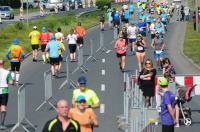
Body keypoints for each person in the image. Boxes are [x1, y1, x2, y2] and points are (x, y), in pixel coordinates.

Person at [0, 60, 14, 130]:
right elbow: (11, 82)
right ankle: (1, 124)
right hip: (4, 91)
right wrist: (12, 81)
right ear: (3, 64)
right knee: (3, 107)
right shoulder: (7, 72)